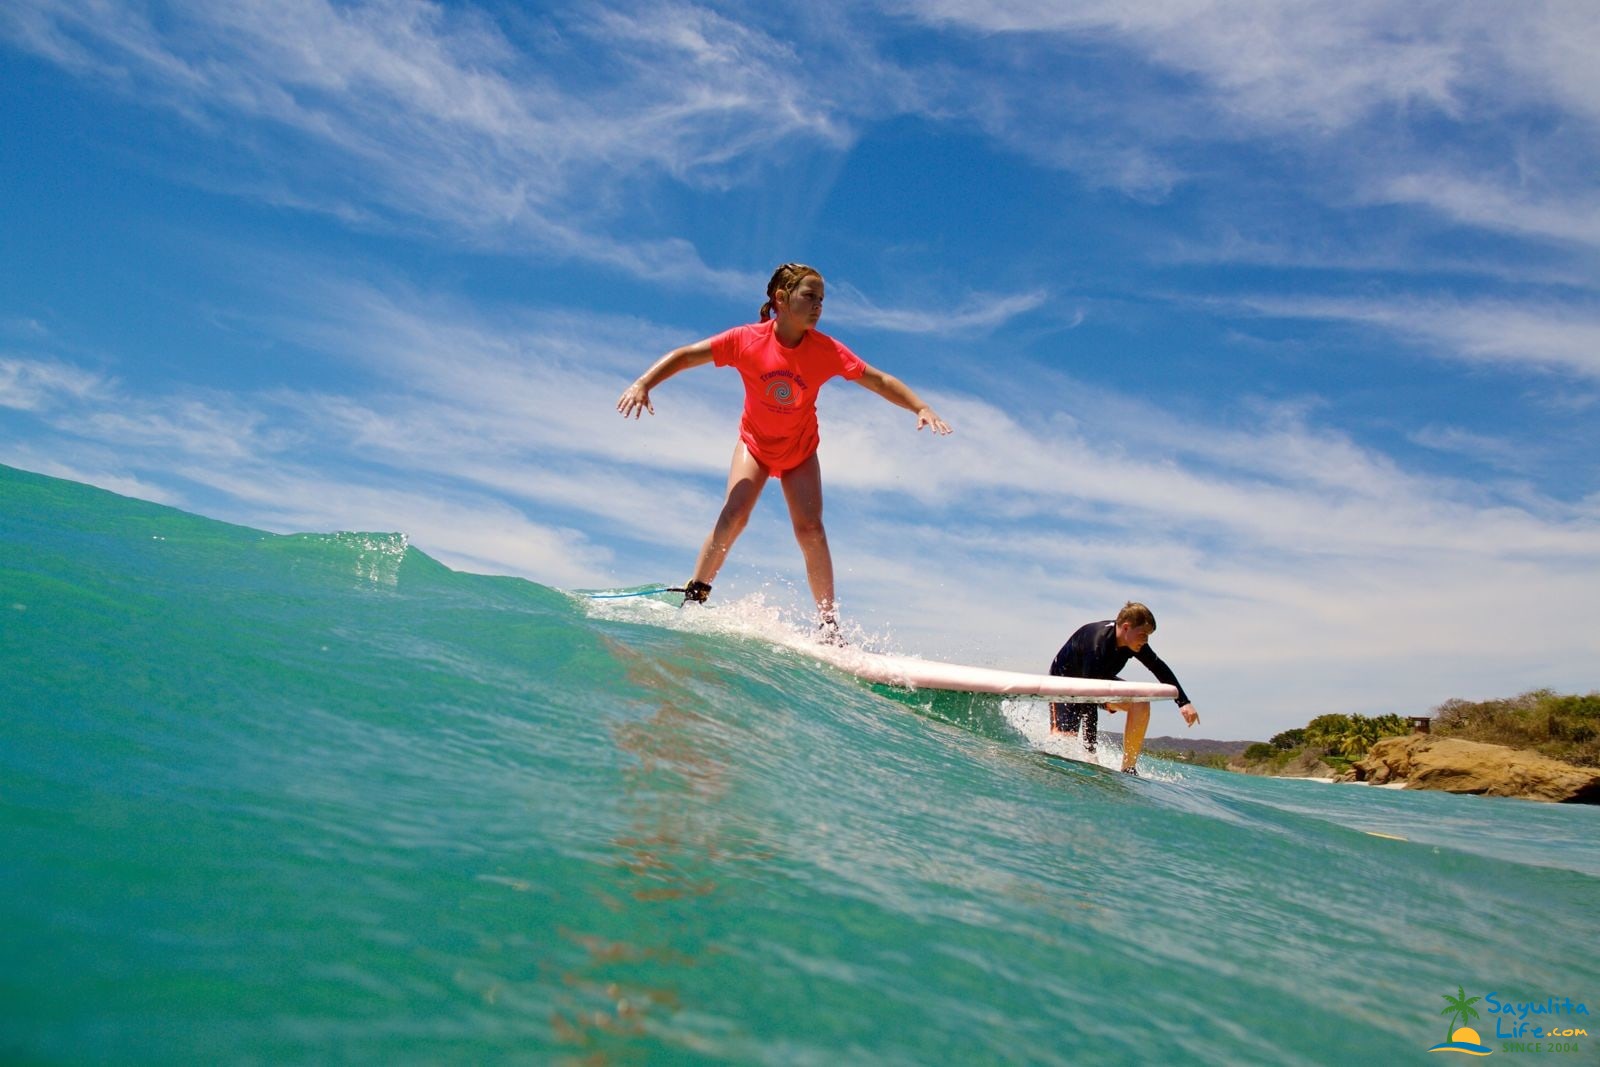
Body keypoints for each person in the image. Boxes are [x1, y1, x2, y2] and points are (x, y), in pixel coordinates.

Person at [616, 263, 952, 640]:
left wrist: (920, 406)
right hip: (755, 445)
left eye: (821, 299)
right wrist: (644, 383)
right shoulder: (746, 340)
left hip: (799, 452)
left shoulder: (826, 350)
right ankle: (695, 595)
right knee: (734, 515)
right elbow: (686, 355)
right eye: (809, 297)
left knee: (811, 531)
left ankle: (828, 626)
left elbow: (879, 380)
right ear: (781, 298)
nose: (818, 306)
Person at [1048, 601, 1199, 774]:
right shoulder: (1097, 643)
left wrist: (1183, 702)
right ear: (1126, 627)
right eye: (1143, 634)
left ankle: (1128, 768)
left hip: (1099, 682)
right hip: (1065, 684)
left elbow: (1158, 667)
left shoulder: (1133, 642)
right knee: (1064, 745)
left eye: (1148, 635)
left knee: (1140, 702)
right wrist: (1090, 751)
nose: (1145, 640)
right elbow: (1089, 700)